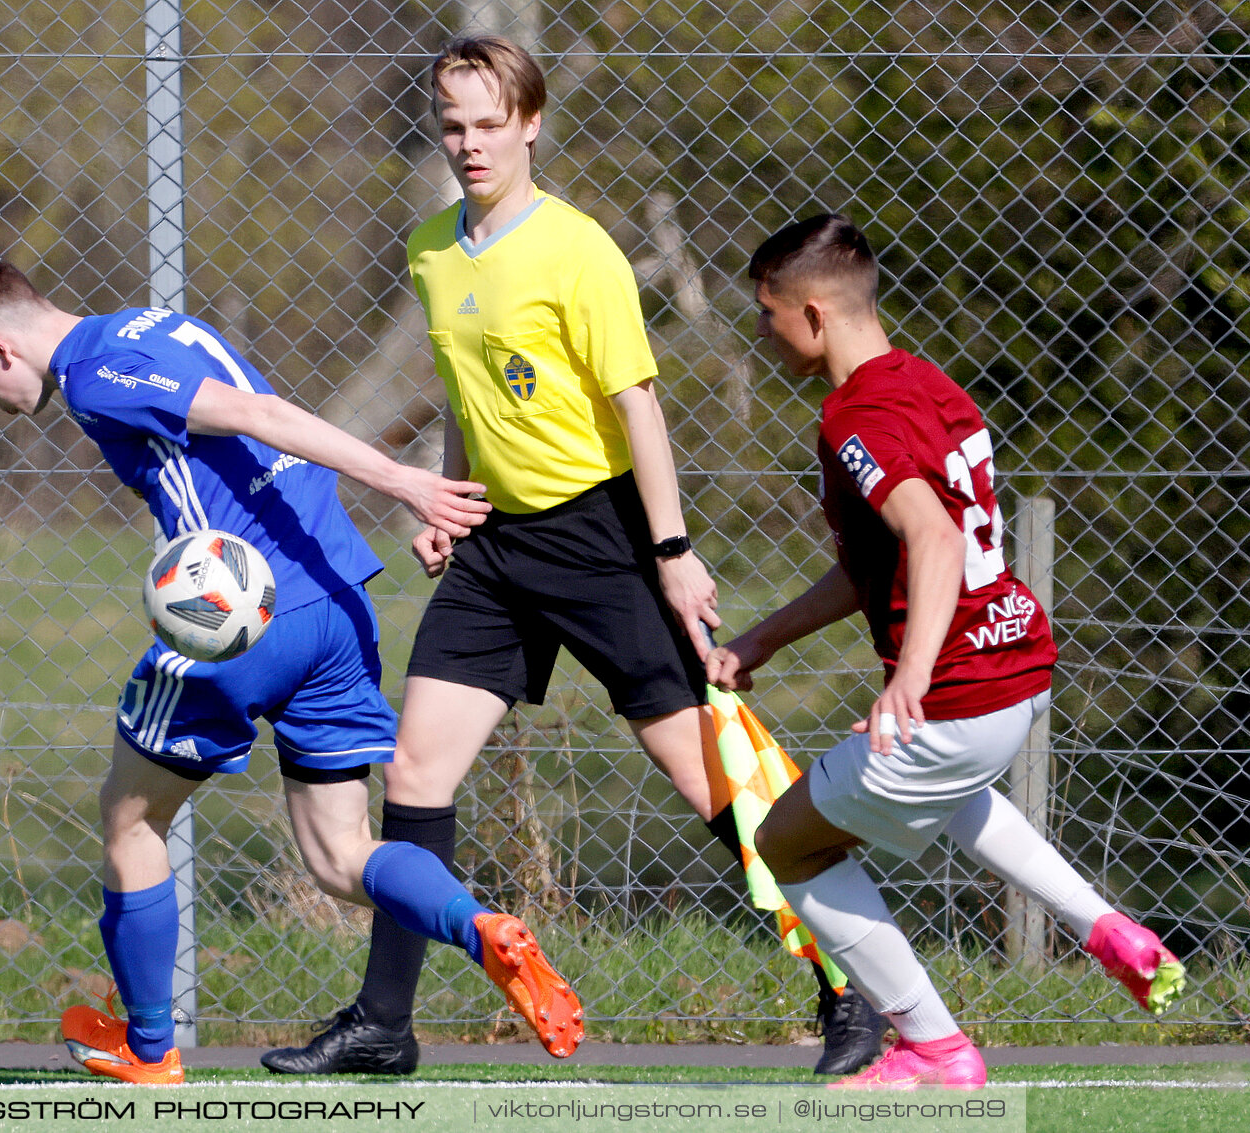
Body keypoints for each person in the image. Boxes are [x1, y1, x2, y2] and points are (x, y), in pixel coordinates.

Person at [262, 34, 885, 1078]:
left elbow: (635, 407)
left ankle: (853, 986)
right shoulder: (430, 248)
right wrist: (449, 497)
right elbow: (471, 388)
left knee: (707, 777)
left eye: (489, 124)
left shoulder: (580, 249)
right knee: (415, 768)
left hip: (599, 539)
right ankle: (383, 1021)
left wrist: (673, 551)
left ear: (531, 124)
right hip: (496, 550)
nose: (469, 143)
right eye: (453, 123)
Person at [0, 250, 584, 1085]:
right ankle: (482, 926)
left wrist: (401, 479)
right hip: (337, 604)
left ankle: (149, 1048)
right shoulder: (156, 325)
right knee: (343, 856)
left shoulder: (93, 373)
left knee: (129, 820)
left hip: (241, 617)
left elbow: (258, 413)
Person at [709, 213, 1186, 1089]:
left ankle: (932, 1045)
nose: (762, 332)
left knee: (788, 845)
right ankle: (1105, 927)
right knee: (953, 794)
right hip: (1018, 671)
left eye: (766, 313)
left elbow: (930, 540)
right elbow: (881, 562)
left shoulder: (857, 414)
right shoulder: (934, 387)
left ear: (813, 314)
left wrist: (911, 684)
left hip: (958, 695)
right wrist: (762, 639)